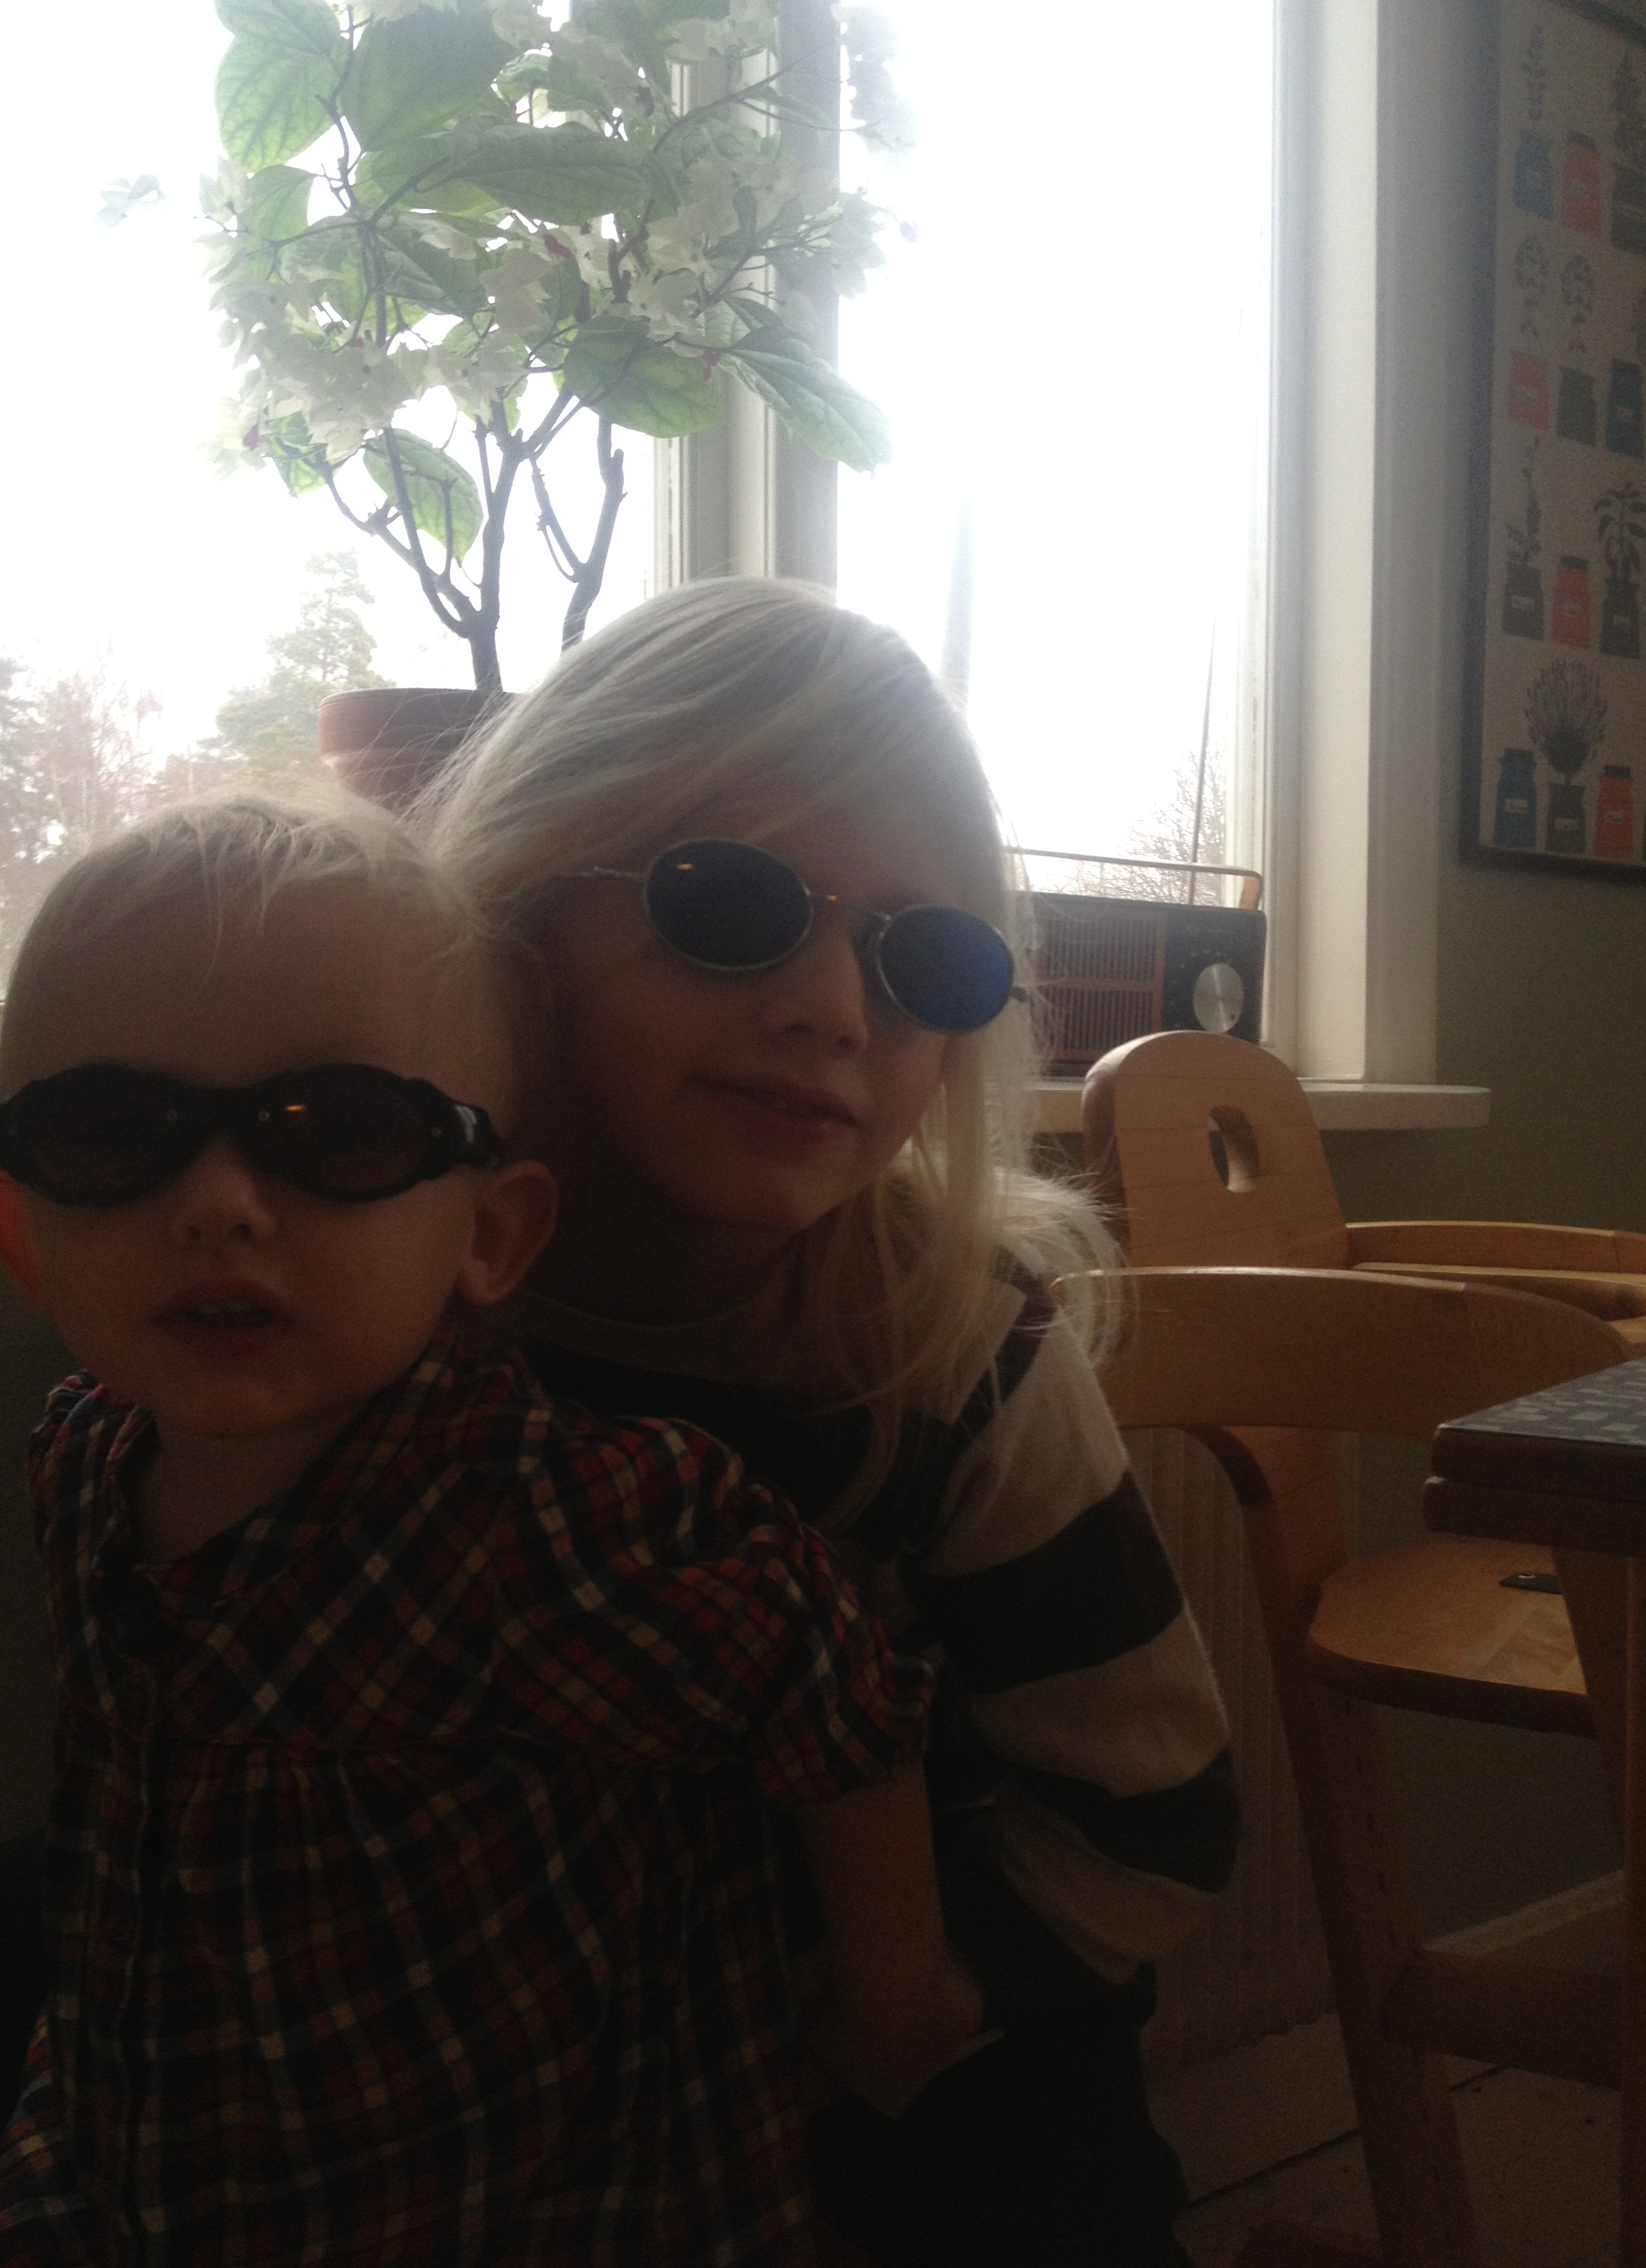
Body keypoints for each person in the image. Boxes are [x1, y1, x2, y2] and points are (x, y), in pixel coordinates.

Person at [0, 792, 980, 2266]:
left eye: (340, 1133)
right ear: (24, 1226)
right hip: (142, 2143)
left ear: (491, 1234)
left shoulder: (551, 1520)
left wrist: (895, 1995)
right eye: (107, 1133)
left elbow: (822, 1677)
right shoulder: (80, 1457)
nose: (217, 1205)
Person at [420, 579, 1242, 2268]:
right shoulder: (386, 1290)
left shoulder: (954, 1354)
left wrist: (894, 2018)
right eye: (729, 902)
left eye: (922, 960)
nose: (834, 1010)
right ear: (516, 906)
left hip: (929, 2095)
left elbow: (1155, 1811)